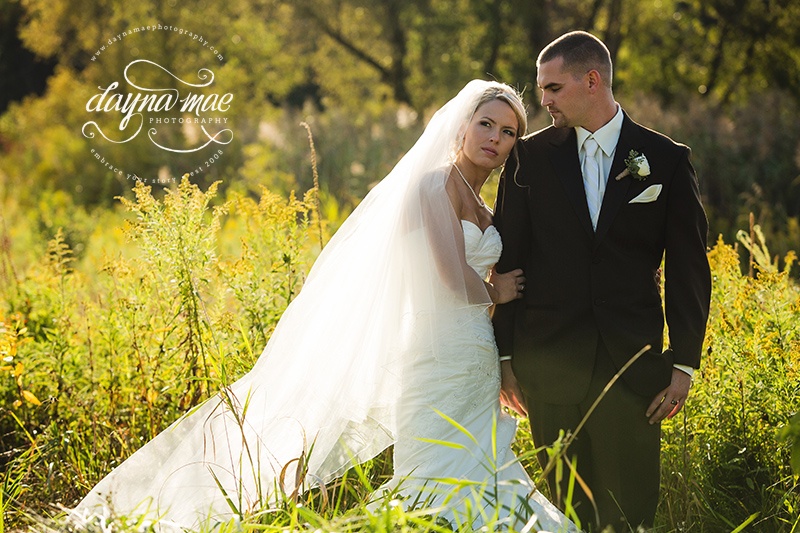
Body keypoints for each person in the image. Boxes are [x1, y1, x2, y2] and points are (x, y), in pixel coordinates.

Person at [74, 80, 577, 532]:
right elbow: (448, 277)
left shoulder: (487, 205)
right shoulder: (433, 185)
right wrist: (498, 290)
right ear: (462, 125)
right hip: (436, 352)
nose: (495, 137)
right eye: (485, 123)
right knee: (434, 471)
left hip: (476, 356)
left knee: (481, 463)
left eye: (509, 132)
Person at [492, 31, 711, 531]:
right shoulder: (527, 158)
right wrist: (505, 359)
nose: (542, 100)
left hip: (632, 371)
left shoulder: (667, 160)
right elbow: (508, 260)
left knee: (630, 515)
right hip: (547, 368)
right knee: (566, 516)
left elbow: (689, 269)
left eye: (552, 88)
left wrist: (684, 363)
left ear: (592, 81)